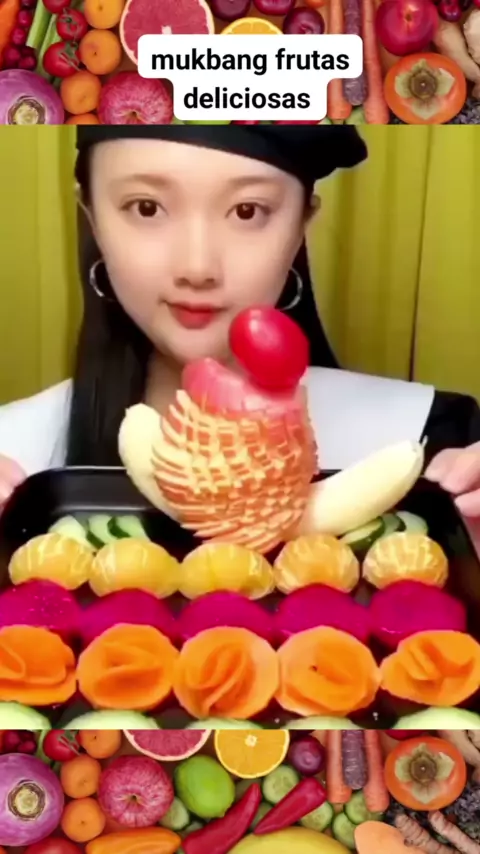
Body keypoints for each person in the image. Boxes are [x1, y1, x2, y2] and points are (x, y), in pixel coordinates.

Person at [1, 125, 480, 543]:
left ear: (300, 226)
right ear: (93, 220)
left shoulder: (435, 437)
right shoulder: (15, 446)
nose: (197, 267)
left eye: (248, 211)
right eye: (146, 207)